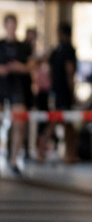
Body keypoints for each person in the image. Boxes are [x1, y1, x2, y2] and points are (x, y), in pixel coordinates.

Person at [0, 13, 35, 175]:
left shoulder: (23, 47)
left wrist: (19, 67)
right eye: (9, 25)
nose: (11, 28)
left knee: (18, 125)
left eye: (13, 25)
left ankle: (14, 159)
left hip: (17, 87)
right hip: (2, 85)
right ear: (5, 26)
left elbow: (31, 65)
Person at [41, 22, 78, 163]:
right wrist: (72, 90)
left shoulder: (56, 50)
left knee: (67, 123)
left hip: (57, 90)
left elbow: (49, 70)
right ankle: (42, 148)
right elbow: (70, 71)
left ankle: (70, 154)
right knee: (57, 120)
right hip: (63, 92)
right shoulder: (68, 50)